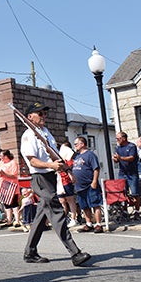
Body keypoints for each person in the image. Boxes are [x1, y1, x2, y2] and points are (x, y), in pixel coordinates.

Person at [20, 102, 91, 266]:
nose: (44, 116)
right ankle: (75, 253)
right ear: (30, 117)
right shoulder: (28, 135)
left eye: (45, 113)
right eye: (40, 113)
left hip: (50, 177)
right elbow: (33, 160)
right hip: (40, 177)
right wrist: (51, 166)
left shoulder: (45, 133)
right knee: (57, 211)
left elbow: (54, 155)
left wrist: (67, 170)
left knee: (41, 216)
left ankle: (30, 252)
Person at [72, 137, 104, 233]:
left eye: (76, 144)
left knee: (95, 204)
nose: (75, 146)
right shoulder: (76, 156)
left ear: (82, 144)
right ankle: (89, 223)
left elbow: (96, 169)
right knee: (84, 206)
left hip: (89, 184)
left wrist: (94, 181)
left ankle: (98, 224)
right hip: (79, 186)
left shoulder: (90, 155)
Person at [113, 131, 141, 220]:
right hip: (122, 173)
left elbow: (131, 158)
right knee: (122, 192)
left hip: (132, 173)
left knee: (135, 193)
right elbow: (117, 159)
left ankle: (137, 211)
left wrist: (120, 158)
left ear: (124, 138)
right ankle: (125, 211)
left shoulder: (131, 146)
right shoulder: (118, 148)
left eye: (118, 138)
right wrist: (115, 159)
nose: (117, 140)